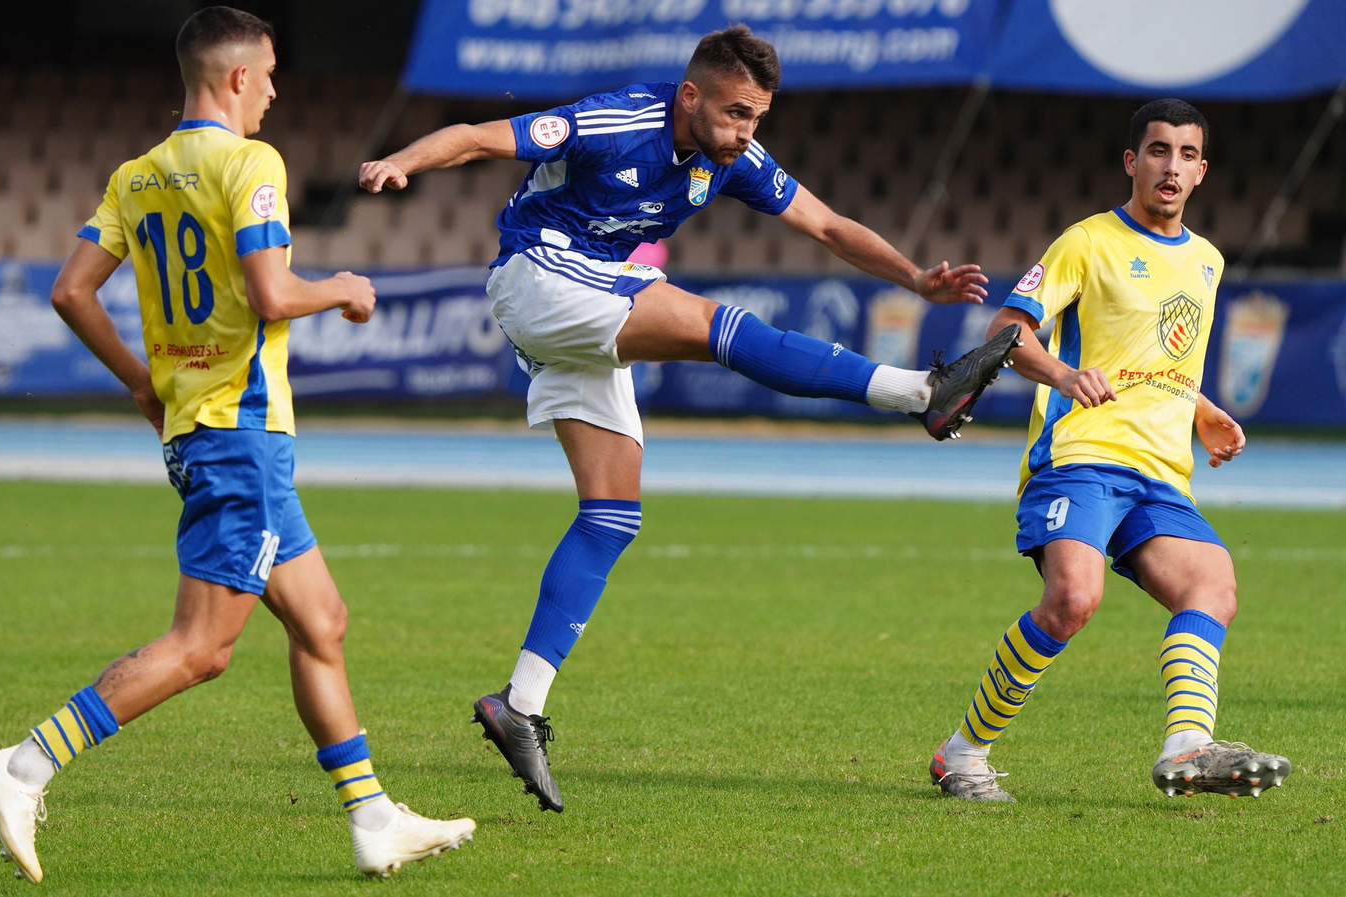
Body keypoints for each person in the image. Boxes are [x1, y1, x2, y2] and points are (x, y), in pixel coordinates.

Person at [359, 24, 1021, 813]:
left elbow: (827, 224)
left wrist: (917, 277)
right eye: (738, 113)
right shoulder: (615, 120)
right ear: (690, 96)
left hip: (589, 291)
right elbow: (476, 137)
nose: (748, 133)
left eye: (758, 118)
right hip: (538, 273)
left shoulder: (732, 155)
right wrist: (400, 160)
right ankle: (922, 394)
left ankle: (520, 703)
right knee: (717, 326)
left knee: (611, 514)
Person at [0, 6, 474, 880]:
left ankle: (374, 816)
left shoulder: (140, 173)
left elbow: (71, 292)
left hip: (201, 430)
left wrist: (137, 379)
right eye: (268, 74)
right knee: (203, 647)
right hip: (240, 431)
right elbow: (273, 294)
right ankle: (23, 765)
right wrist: (344, 288)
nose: (274, 91)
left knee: (322, 620)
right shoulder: (250, 163)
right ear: (236, 77)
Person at [926, 99, 1290, 802]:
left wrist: (1206, 411)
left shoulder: (1208, 262)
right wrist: (1062, 374)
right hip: (1082, 456)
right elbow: (1007, 329)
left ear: (1203, 171)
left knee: (1212, 585)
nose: (1171, 167)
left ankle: (1189, 746)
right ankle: (961, 754)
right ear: (1132, 161)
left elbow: (1162, 362)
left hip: (1159, 473)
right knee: (1071, 598)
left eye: (1187, 155)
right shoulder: (1086, 242)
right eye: (1158, 151)